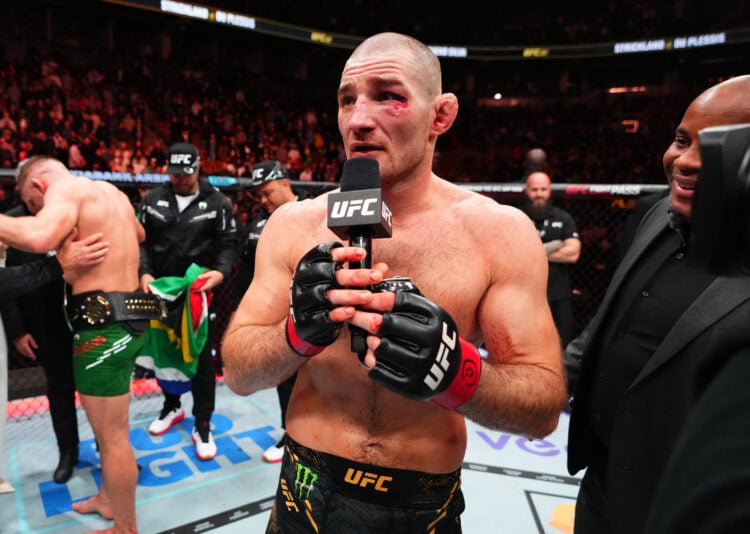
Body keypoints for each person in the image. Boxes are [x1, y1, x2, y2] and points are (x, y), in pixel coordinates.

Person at [222, 32, 566, 533]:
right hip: (304, 490)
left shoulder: (498, 232)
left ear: (440, 116)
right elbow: (239, 370)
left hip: (421, 505)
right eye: (347, 100)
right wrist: (296, 333)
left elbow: (542, 408)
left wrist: (456, 373)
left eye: (389, 96)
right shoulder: (294, 224)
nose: (359, 119)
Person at [566, 74, 750, 534]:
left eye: (713, 147)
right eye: (680, 140)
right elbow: (610, 325)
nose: (684, 162)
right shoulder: (654, 214)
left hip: (687, 512)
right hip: (602, 484)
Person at [0, 155, 161, 533]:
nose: (38, 210)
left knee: (113, 436)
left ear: (39, 186)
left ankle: (125, 526)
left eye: (34, 203)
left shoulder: (66, 190)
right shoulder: (111, 193)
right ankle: (108, 499)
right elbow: (138, 234)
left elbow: (39, 237)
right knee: (108, 431)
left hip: (103, 327)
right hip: (130, 317)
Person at [138, 142, 238, 460]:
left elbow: (228, 243)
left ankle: (203, 423)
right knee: (165, 352)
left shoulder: (218, 202)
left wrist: (220, 273)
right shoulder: (152, 200)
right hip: (163, 292)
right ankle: (172, 406)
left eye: (186, 172)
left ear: (198, 168)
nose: (180, 178)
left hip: (199, 292)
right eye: (175, 173)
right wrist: (144, 273)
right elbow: (142, 243)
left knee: (203, 360)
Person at [0, 233, 107, 494]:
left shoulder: (75, 218)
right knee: (60, 389)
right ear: (28, 192)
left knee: (100, 387)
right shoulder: (16, 228)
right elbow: (6, 282)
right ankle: (68, 452)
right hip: (45, 326)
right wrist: (17, 331)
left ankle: (110, 451)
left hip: (89, 319)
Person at [232, 160, 306, 463]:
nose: (263, 200)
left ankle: (317, 437)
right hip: (277, 316)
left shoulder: (314, 213)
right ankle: (290, 434)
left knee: (322, 378)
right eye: (259, 196)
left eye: (267, 193)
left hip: (314, 312)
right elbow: (248, 273)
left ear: (285, 183)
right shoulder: (259, 225)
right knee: (285, 377)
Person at [520, 171, 581, 347]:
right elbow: (506, 251)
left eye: (543, 189)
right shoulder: (516, 216)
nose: (539, 193)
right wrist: (555, 244)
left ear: (550, 190)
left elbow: (573, 253)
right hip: (524, 294)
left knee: (563, 345)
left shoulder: (562, 217)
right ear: (526, 190)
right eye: (534, 189)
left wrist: (530, 251)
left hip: (558, 292)